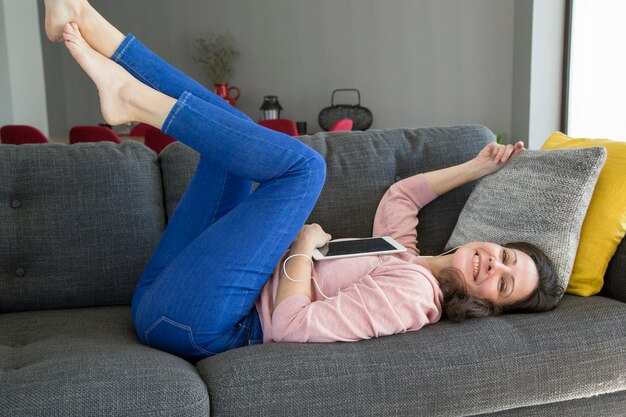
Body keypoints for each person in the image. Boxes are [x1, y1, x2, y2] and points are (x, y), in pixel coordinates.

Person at [44, 0, 562, 362]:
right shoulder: (404, 256)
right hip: (168, 293)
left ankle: (136, 102)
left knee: (304, 168)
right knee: (239, 139)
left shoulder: (415, 299)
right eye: (506, 257)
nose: (494, 264)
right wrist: (479, 166)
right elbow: (403, 194)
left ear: (487, 305)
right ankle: (94, 28)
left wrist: (302, 247)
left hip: (202, 323)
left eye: (502, 284)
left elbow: (293, 327)